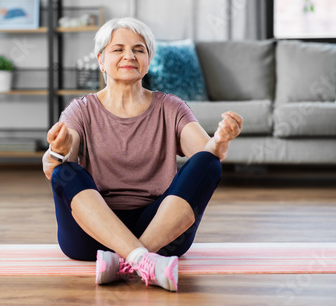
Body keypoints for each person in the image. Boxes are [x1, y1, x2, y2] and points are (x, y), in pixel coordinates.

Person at [42, 17, 243, 292]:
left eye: (139, 49)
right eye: (118, 49)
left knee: (209, 164)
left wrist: (219, 141)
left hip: (162, 231)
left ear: (148, 60)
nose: (129, 56)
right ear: (101, 60)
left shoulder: (170, 107)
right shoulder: (81, 109)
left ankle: (129, 260)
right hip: (92, 234)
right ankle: (144, 260)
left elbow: (205, 156)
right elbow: (52, 166)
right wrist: (59, 150)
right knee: (64, 171)